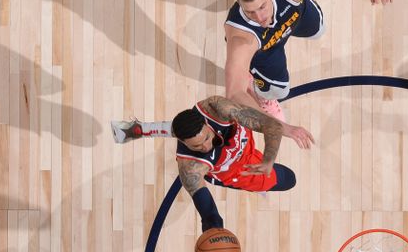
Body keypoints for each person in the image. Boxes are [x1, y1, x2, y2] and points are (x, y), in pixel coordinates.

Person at [226, 0, 393, 121]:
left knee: (319, 29)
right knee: (278, 91)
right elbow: (234, 93)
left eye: (262, 7)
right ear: (240, 7)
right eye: (250, 12)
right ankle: (258, 90)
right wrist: (277, 126)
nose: (259, 17)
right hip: (265, 49)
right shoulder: (242, 40)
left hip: (294, 17)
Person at [111, 95, 314, 232]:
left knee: (242, 99)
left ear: (207, 124)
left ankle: (139, 129)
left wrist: (269, 159)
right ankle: (140, 130)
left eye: (206, 138)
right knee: (289, 179)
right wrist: (214, 232)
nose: (206, 147)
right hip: (235, 170)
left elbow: (270, 125)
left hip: (244, 144)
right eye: (197, 146)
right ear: (182, 143)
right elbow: (208, 212)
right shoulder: (190, 167)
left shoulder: (216, 109)